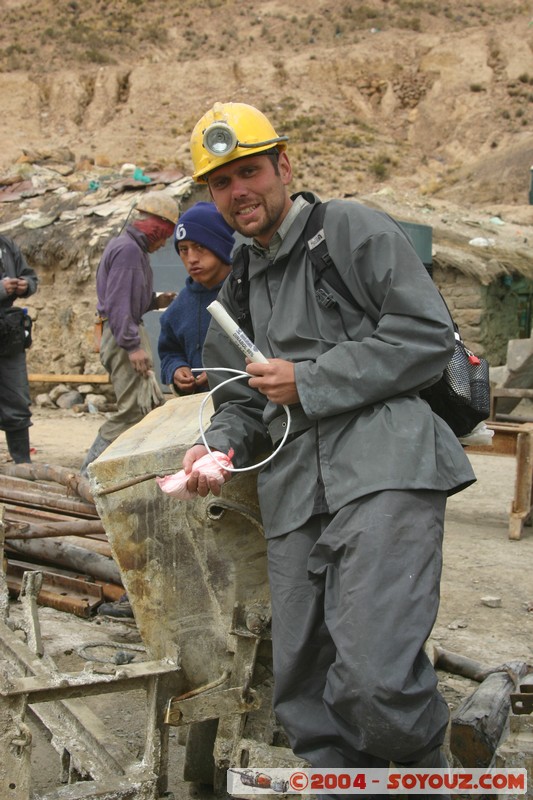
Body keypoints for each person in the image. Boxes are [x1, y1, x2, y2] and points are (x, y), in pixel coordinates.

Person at [180, 102, 477, 798]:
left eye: (249, 172)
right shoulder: (240, 282)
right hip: (292, 494)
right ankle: (342, 786)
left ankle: (420, 779)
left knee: (373, 676)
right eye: (220, 184)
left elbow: (425, 335)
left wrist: (309, 379)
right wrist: (216, 449)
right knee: (304, 689)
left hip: (382, 467)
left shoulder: (347, 229)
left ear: (283, 166)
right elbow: (241, 398)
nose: (237, 193)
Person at [81, 191, 179, 476]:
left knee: (147, 405)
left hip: (125, 330)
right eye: (165, 236)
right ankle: (88, 474)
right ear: (157, 225)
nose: (163, 244)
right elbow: (118, 304)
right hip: (124, 334)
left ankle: (129, 473)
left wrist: (155, 301)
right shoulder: (128, 251)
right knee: (133, 411)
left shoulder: (131, 250)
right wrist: (132, 345)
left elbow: (125, 298)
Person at [158, 201, 234, 395]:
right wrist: (176, 369)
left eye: (200, 246)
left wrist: (227, 372)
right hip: (196, 411)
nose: (191, 258)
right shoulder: (178, 309)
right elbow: (170, 352)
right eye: (183, 250)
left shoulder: (249, 292)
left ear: (220, 246)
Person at [0, 235, 38, 464]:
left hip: (7, 332)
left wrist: (26, 285)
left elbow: (30, 276)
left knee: (16, 398)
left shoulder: (6, 245)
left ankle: (23, 465)